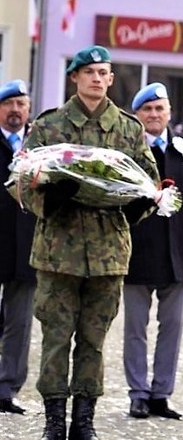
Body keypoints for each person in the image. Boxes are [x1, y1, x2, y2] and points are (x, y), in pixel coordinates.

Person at [18, 45, 160, 440]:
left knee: (94, 342)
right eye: (89, 72)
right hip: (57, 251)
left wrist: (139, 205)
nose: (97, 78)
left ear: (111, 79)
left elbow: (149, 183)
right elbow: (21, 182)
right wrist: (48, 198)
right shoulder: (49, 125)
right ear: (75, 77)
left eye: (103, 73)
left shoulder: (129, 129)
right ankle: (54, 421)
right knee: (55, 338)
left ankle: (84, 420)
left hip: (107, 252)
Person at [123, 83, 183, 420]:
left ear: (170, 112)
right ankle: (137, 393)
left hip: (179, 256)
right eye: (147, 109)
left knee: (172, 328)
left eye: (159, 108)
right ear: (137, 115)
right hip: (137, 254)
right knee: (135, 329)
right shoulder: (127, 150)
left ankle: (161, 393)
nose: (154, 115)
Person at [0, 79, 37, 415]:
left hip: (26, 248)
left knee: (20, 323)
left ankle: (7, 388)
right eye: (8, 104)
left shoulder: (39, 145)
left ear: (28, 109)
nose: (15, 110)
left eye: (21, 104)